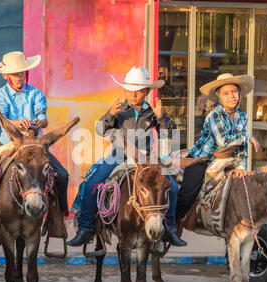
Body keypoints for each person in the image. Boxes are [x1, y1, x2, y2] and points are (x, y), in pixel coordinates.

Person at [66, 66, 187, 247]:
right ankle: (85, 229)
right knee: (91, 183)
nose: (133, 95)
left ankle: (168, 229)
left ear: (146, 91)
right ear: (124, 90)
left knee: (173, 188)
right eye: (129, 91)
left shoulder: (152, 112)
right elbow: (100, 130)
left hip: (147, 159)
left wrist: (162, 118)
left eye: (138, 91)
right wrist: (110, 114)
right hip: (118, 156)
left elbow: (168, 134)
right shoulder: (119, 109)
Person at [0, 51, 70, 217]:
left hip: (33, 145)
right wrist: (16, 123)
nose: (19, 77)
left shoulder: (36, 94)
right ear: (6, 75)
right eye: (15, 74)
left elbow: (43, 118)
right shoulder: (1, 95)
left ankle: (59, 216)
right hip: (6, 142)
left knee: (63, 176)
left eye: (21, 73)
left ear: (26, 72)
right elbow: (1, 119)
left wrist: (39, 122)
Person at [175, 73, 262, 219]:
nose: (232, 96)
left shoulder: (243, 116)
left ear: (240, 94)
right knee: (188, 194)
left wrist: (241, 166)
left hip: (226, 160)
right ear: (219, 97)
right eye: (226, 93)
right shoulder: (215, 115)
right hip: (202, 160)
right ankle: (171, 223)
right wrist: (248, 136)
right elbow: (224, 142)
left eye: (235, 92)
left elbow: (241, 148)